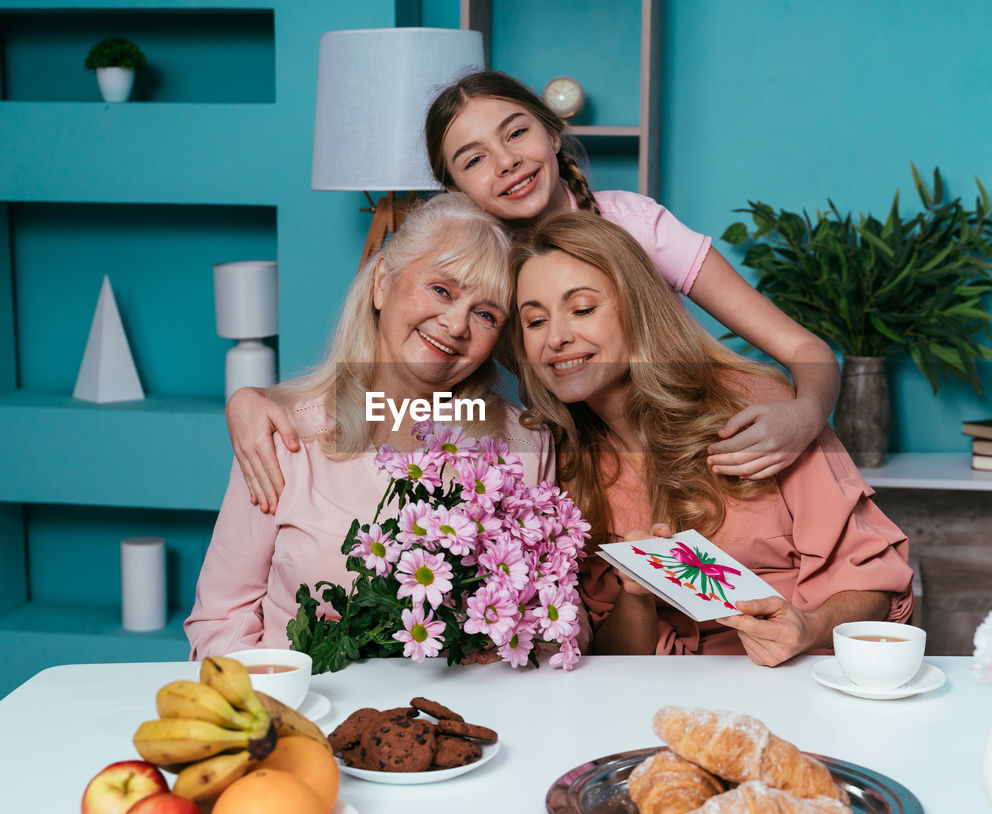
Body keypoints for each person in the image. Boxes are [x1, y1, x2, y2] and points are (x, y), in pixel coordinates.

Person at [228, 70, 841, 513]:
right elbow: (406, 388)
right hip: (584, 474)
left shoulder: (636, 225)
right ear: (456, 191)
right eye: (473, 159)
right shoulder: (482, 284)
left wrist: (805, 413)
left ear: (551, 132)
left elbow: (805, 349)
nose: (507, 162)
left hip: (701, 444)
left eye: (516, 133)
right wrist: (258, 400)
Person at [511, 210, 913, 666]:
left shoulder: (757, 409)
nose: (557, 338)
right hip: (653, 700)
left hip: (799, 680)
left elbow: (875, 580)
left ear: (637, 310)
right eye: (535, 321)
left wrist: (808, 629)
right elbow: (611, 660)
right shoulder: (557, 465)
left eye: (582, 309)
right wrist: (636, 593)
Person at [184, 193, 555, 658]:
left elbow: (553, 622)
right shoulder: (282, 433)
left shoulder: (526, 443)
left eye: (486, 314)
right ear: (383, 283)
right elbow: (221, 619)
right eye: (442, 290)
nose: (457, 324)